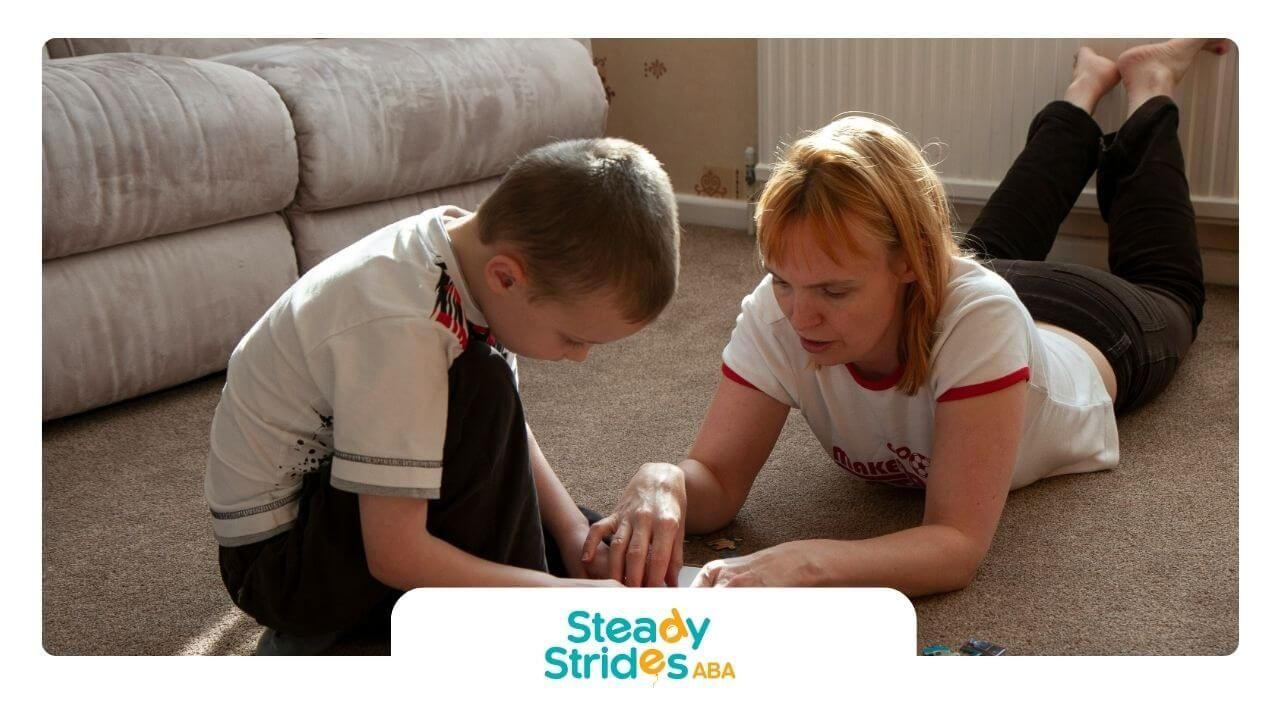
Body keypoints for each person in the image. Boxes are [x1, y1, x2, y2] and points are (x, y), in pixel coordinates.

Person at [583, 39, 1230, 593]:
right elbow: (719, 481)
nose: (801, 316)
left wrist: (806, 563)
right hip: (953, 293)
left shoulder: (978, 316)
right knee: (994, 242)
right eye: (782, 280)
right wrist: (663, 480)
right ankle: (1083, 90)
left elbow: (954, 544)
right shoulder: (784, 308)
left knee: (1171, 287)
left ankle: (1150, 84)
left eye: (833, 291)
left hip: (1088, 326)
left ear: (912, 264)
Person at [205, 137, 680, 653]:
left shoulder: (470, 255)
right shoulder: (404, 326)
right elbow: (395, 554)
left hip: (343, 508)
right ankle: (340, 644)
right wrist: (555, 599)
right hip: (284, 567)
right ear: (506, 277)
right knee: (483, 391)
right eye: (573, 337)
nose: (580, 356)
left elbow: (505, 437)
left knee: (571, 533)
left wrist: (570, 536)